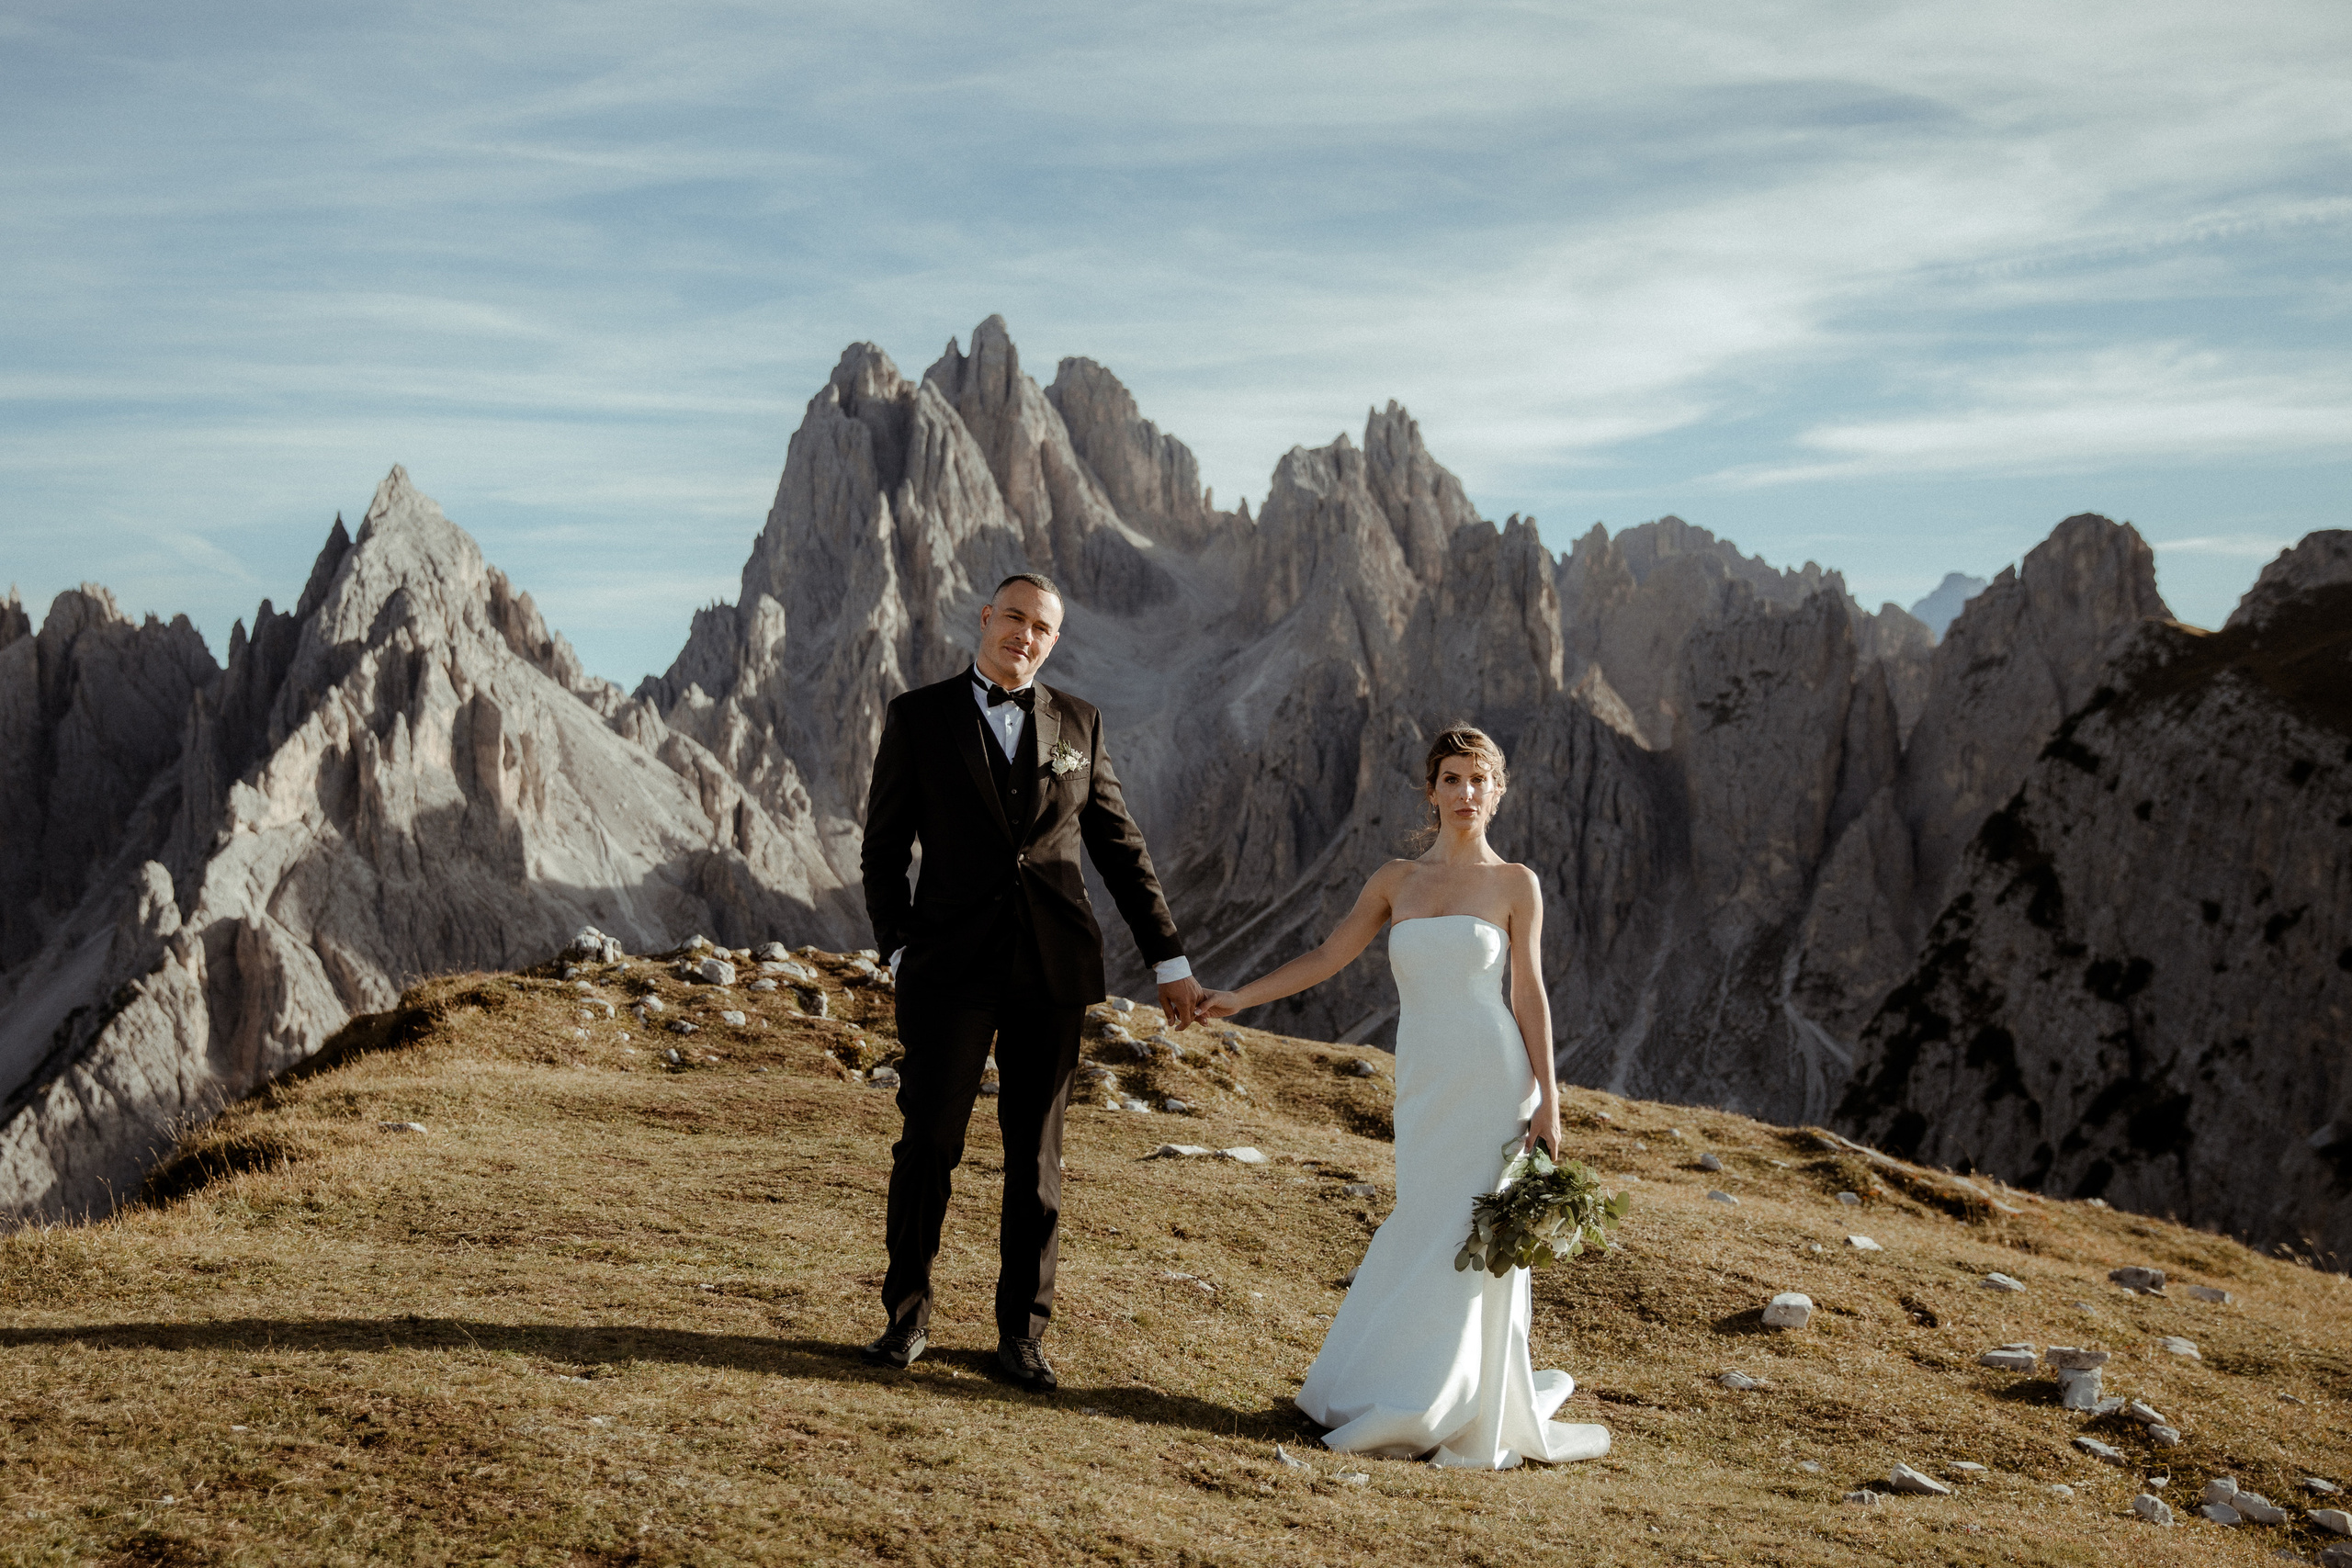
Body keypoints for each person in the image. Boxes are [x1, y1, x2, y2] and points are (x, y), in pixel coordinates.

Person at [1198, 727, 1611, 1469]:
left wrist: (1550, 1099)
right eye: (1452, 779)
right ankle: (1393, 1385)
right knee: (1423, 1220)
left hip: (1494, 1079)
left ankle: (1444, 1400)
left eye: (1480, 780)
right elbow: (1328, 955)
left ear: (1498, 791)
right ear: (1431, 789)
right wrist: (1240, 997)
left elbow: (1531, 993)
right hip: (1425, 1082)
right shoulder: (1396, 879)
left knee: (1470, 1233)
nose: (1465, 794)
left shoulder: (1517, 882)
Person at [858, 572, 1204, 1390]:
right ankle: (905, 1318)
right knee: (929, 1143)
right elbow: (883, 848)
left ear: (1053, 640)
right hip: (946, 968)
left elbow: (1121, 847)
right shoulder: (918, 716)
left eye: (1042, 626)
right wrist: (898, 947)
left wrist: (1171, 957)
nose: (1025, 633)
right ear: (986, 619)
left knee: (1036, 1159)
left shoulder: (1078, 722)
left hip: (1051, 969)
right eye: (1013, 616)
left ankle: (1022, 1335)